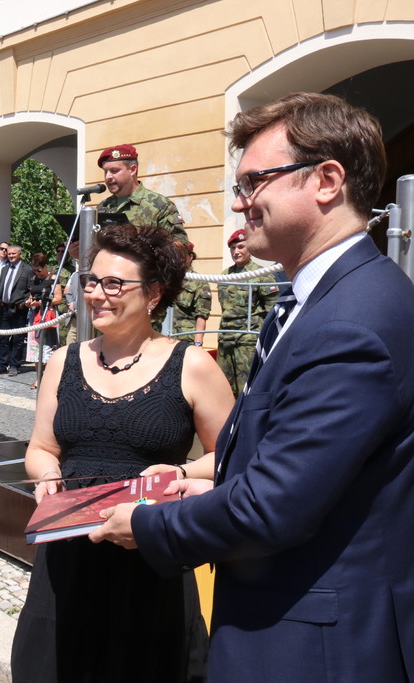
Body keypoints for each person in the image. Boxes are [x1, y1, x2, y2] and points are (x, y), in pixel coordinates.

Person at [92, 92, 414, 682]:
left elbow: (273, 508)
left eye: (255, 181)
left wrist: (143, 525)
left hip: (316, 647)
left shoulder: (352, 320)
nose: (240, 203)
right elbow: (291, 460)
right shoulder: (318, 299)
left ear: (326, 180)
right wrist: (198, 481)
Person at [11, 223, 235, 682]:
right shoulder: (63, 361)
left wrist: (179, 472)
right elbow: (40, 447)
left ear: (153, 294)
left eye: (114, 283)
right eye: (92, 281)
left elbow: (234, 457)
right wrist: (46, 474)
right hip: (68, 552)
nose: (97, 293)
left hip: (149, 553)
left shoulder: (190, 365)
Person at [216, 228, 278, 395]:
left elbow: (271, 311)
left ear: (250, 248)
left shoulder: (262, 275)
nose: (236, 252)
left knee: (247, 390)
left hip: (247, 342)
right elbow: (224, 308)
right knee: (222, 390)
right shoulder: (225, 275)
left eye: (241, 247)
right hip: (225, 339)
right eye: (233, 248)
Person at [97, 144, 188, 245]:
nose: (108, 177)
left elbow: (180, 246)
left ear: (132, 170)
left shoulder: (160, 205)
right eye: (105, 172)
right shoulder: (103, 207)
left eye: (114, 171)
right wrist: (78, 251)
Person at [0, 244, 31, 376]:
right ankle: (1, 365)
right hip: (4, 308)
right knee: (3, 339)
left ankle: (14, 365)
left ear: (20, 254)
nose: (11, 256)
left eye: (13, 254)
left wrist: (24, 303)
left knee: (18, 339)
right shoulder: (5, 269)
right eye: (9, 253)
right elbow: (1, 287)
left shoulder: (27, 270)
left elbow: (31, 290)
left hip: (19, 310)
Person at [24, 253, 63, 390]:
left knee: (48, 349)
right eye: (34, 269)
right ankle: (39, 378)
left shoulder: (53, 278)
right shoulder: (34, 278)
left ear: (45, 266)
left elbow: (58, 298)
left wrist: (42, 301)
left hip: (49, 316)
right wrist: (29, 302)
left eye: (39, 269)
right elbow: (31, 295)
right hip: (34, 316)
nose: (37, 272)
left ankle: (49, 378)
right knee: (36, 350)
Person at [165, 243, 212, 345]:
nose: (177, 259)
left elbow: (201, 315)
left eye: (181, 255)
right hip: (164, 337)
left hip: (185, 340)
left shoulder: (199, 281)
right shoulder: (167, 279)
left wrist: (197, 343)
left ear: (190, 257)